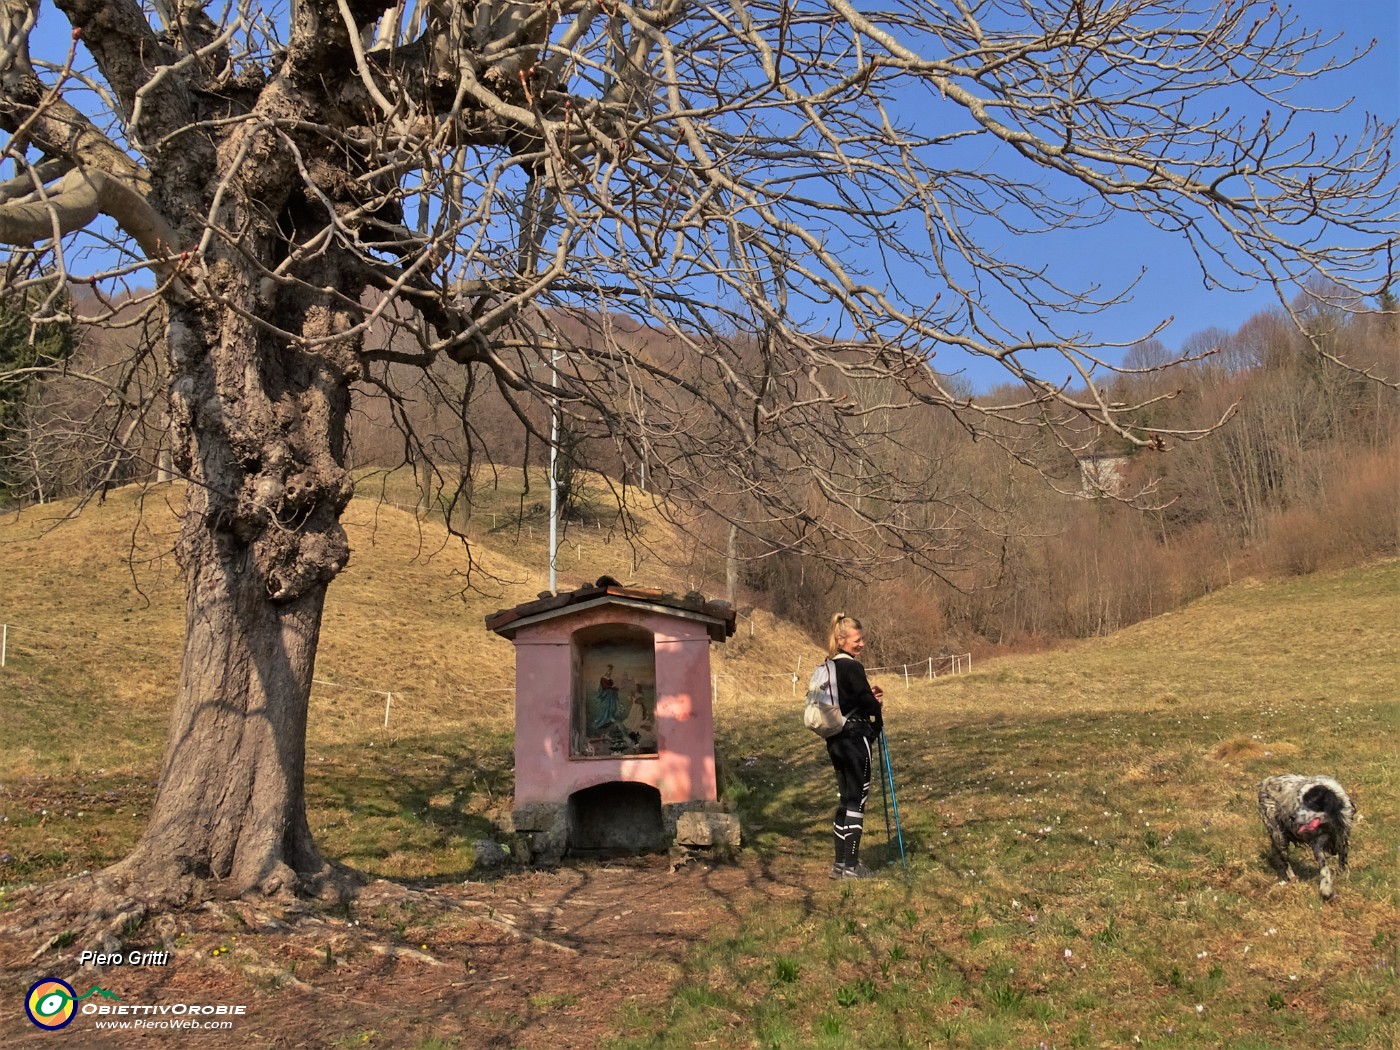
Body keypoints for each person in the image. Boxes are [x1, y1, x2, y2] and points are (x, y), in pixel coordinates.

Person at [823, 612, 885, 879]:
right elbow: (868, 706)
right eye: (857, 640)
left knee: (845, 799)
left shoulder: (829, 666)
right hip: (855, 739)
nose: (862, 644)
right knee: (856, 801)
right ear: (842, 639)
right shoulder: (852, 667)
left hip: (835, 740)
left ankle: (839, 865)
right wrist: (876, 702)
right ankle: (852, 866)